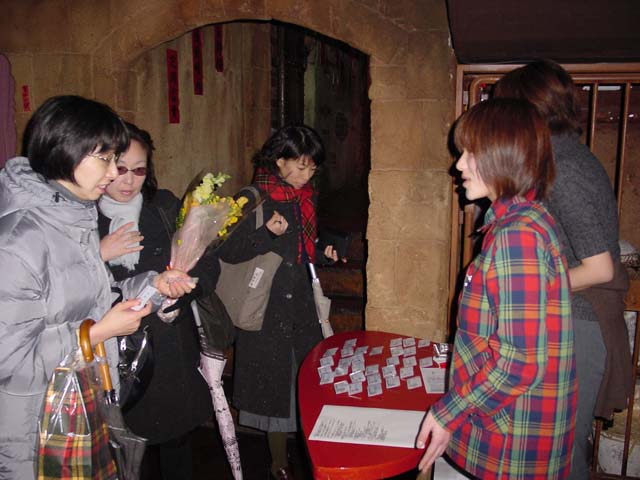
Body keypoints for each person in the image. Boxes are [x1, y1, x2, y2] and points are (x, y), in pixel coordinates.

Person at [0, 95, 194, 480]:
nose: (113, 173)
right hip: (36, 433)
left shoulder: (72, 215)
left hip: (83, 406)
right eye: (105, 159)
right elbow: (10, 360)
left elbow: (101, 297)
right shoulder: (19, 238)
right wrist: (97, 334)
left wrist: (154, 285)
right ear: (65, 149)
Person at [416, 98, 577, 479]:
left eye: (470, 153)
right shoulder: (527, 219)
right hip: (512, 427)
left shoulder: (517, 236)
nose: (458, 165)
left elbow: (520, 363)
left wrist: (449, 411)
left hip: (512, 442)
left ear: (503, 156)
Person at [494, 60, 632, 479]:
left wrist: (529, 288)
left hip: (578, 324)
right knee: (554, 452)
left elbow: (600, 267)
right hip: (570, 321)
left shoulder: (563, 167)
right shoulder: (561, 156)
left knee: (559, 455)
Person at [218, 125, 338, 480]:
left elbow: (305, 248)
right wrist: (266, 233)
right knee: (276, 393)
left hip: (301, 306)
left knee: (306, 384)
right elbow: (226, 250)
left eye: (312, 168)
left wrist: (325, 251)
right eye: (301, 167)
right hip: (266, 308)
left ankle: (310, 457)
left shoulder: (306, 197)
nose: (307, 175)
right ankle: (278, 463)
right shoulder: (252, 197)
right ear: (279, 160)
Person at [98, 122, 214, 480]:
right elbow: (69, 288)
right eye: (120, 168)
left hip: (170, 353)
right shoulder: (82, 216)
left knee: (176, 449)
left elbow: (208, 265)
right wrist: (98, 254)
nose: (128, 180)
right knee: (121, 454)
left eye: (139, 170)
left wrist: (183, 290)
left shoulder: (163, 207)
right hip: (115, 356)